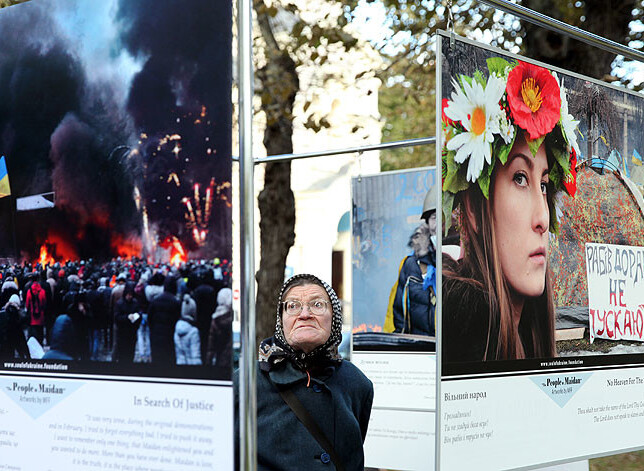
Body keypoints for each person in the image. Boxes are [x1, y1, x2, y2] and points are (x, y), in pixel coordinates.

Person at [440, 58, 580, 361]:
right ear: (474, 210)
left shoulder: (527, 328)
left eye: (543, 185)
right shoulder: (467, 326)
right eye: (519, 178)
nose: (543, 219)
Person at [236, 274, 373, 471]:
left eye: (317, 305)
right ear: (281, 319)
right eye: (292, 306)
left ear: (334, 317)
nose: (305, 314)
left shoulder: (357, 383)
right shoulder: (247, 382)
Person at [385, 184, 437, 336]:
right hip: (420, 350)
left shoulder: (460, 260)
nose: (438, 224)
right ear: (426, 223)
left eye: (443, 216)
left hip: (449, 354)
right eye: (434, 217)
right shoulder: (411, 265)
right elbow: (399, 314)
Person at [0, 294, 30, 360]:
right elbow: (20, 338)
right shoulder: (15, 316)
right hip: (9, 348)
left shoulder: (1, 313)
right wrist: (26, 356)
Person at [174, 293, 202, 365]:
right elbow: (195, 356)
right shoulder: (194, 332)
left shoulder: (177, 329)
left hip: (179, 364)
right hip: (191, 369)